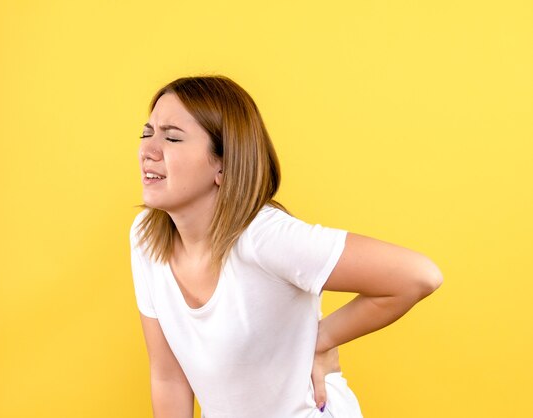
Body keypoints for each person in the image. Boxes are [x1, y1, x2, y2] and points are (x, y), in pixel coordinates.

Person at [129, 75, 443, 418]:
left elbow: (418, 275)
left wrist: (320, 340)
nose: (148, 150)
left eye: (172, 137)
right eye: (147, 133)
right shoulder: (146, 238)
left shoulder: (265, 238)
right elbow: (168, 377)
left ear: (223, 163)